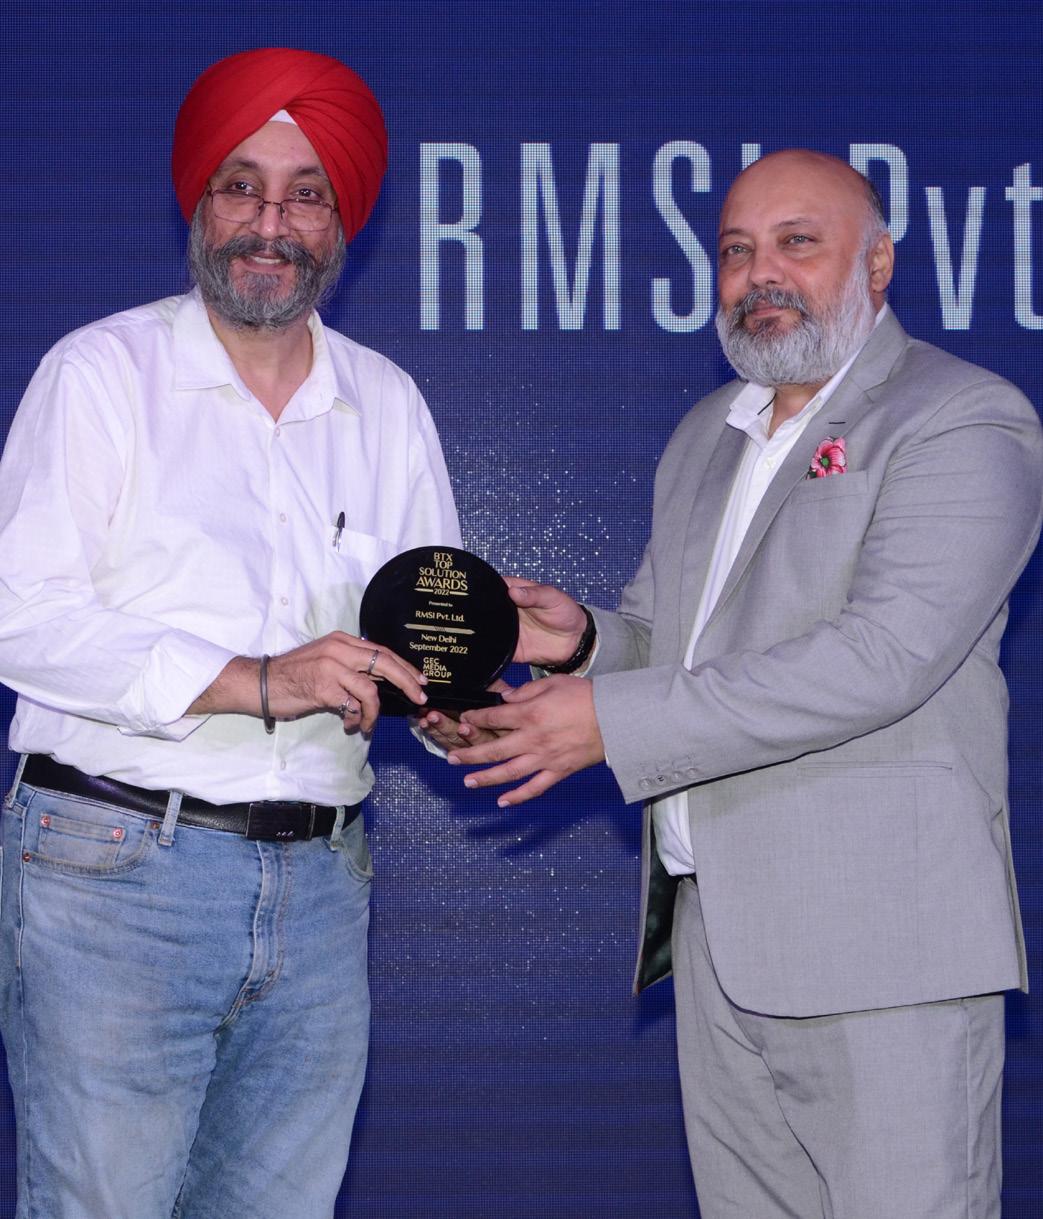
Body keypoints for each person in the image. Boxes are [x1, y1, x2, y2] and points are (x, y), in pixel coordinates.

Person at [430, 150, 1043, 1217]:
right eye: (734, 250)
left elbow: (880, 656)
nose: (759, 273)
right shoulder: (703, 437)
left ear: (878, 264)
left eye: (796, 243)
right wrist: (583, 646)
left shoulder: (960, 416)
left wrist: (608, 719)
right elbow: (673, 650)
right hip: (719, 946)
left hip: (882, 951)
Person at [0, 48, 460, 1219]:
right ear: (197, 204)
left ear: (341, 220)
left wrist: (457, 703)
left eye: (304, 193)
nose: (269, 223)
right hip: (116, 869)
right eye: (240, 187)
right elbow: (20, 615)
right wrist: (254, 679)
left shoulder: (387, 403)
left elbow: (418, 635)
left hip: (322, 883)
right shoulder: (102, 373)